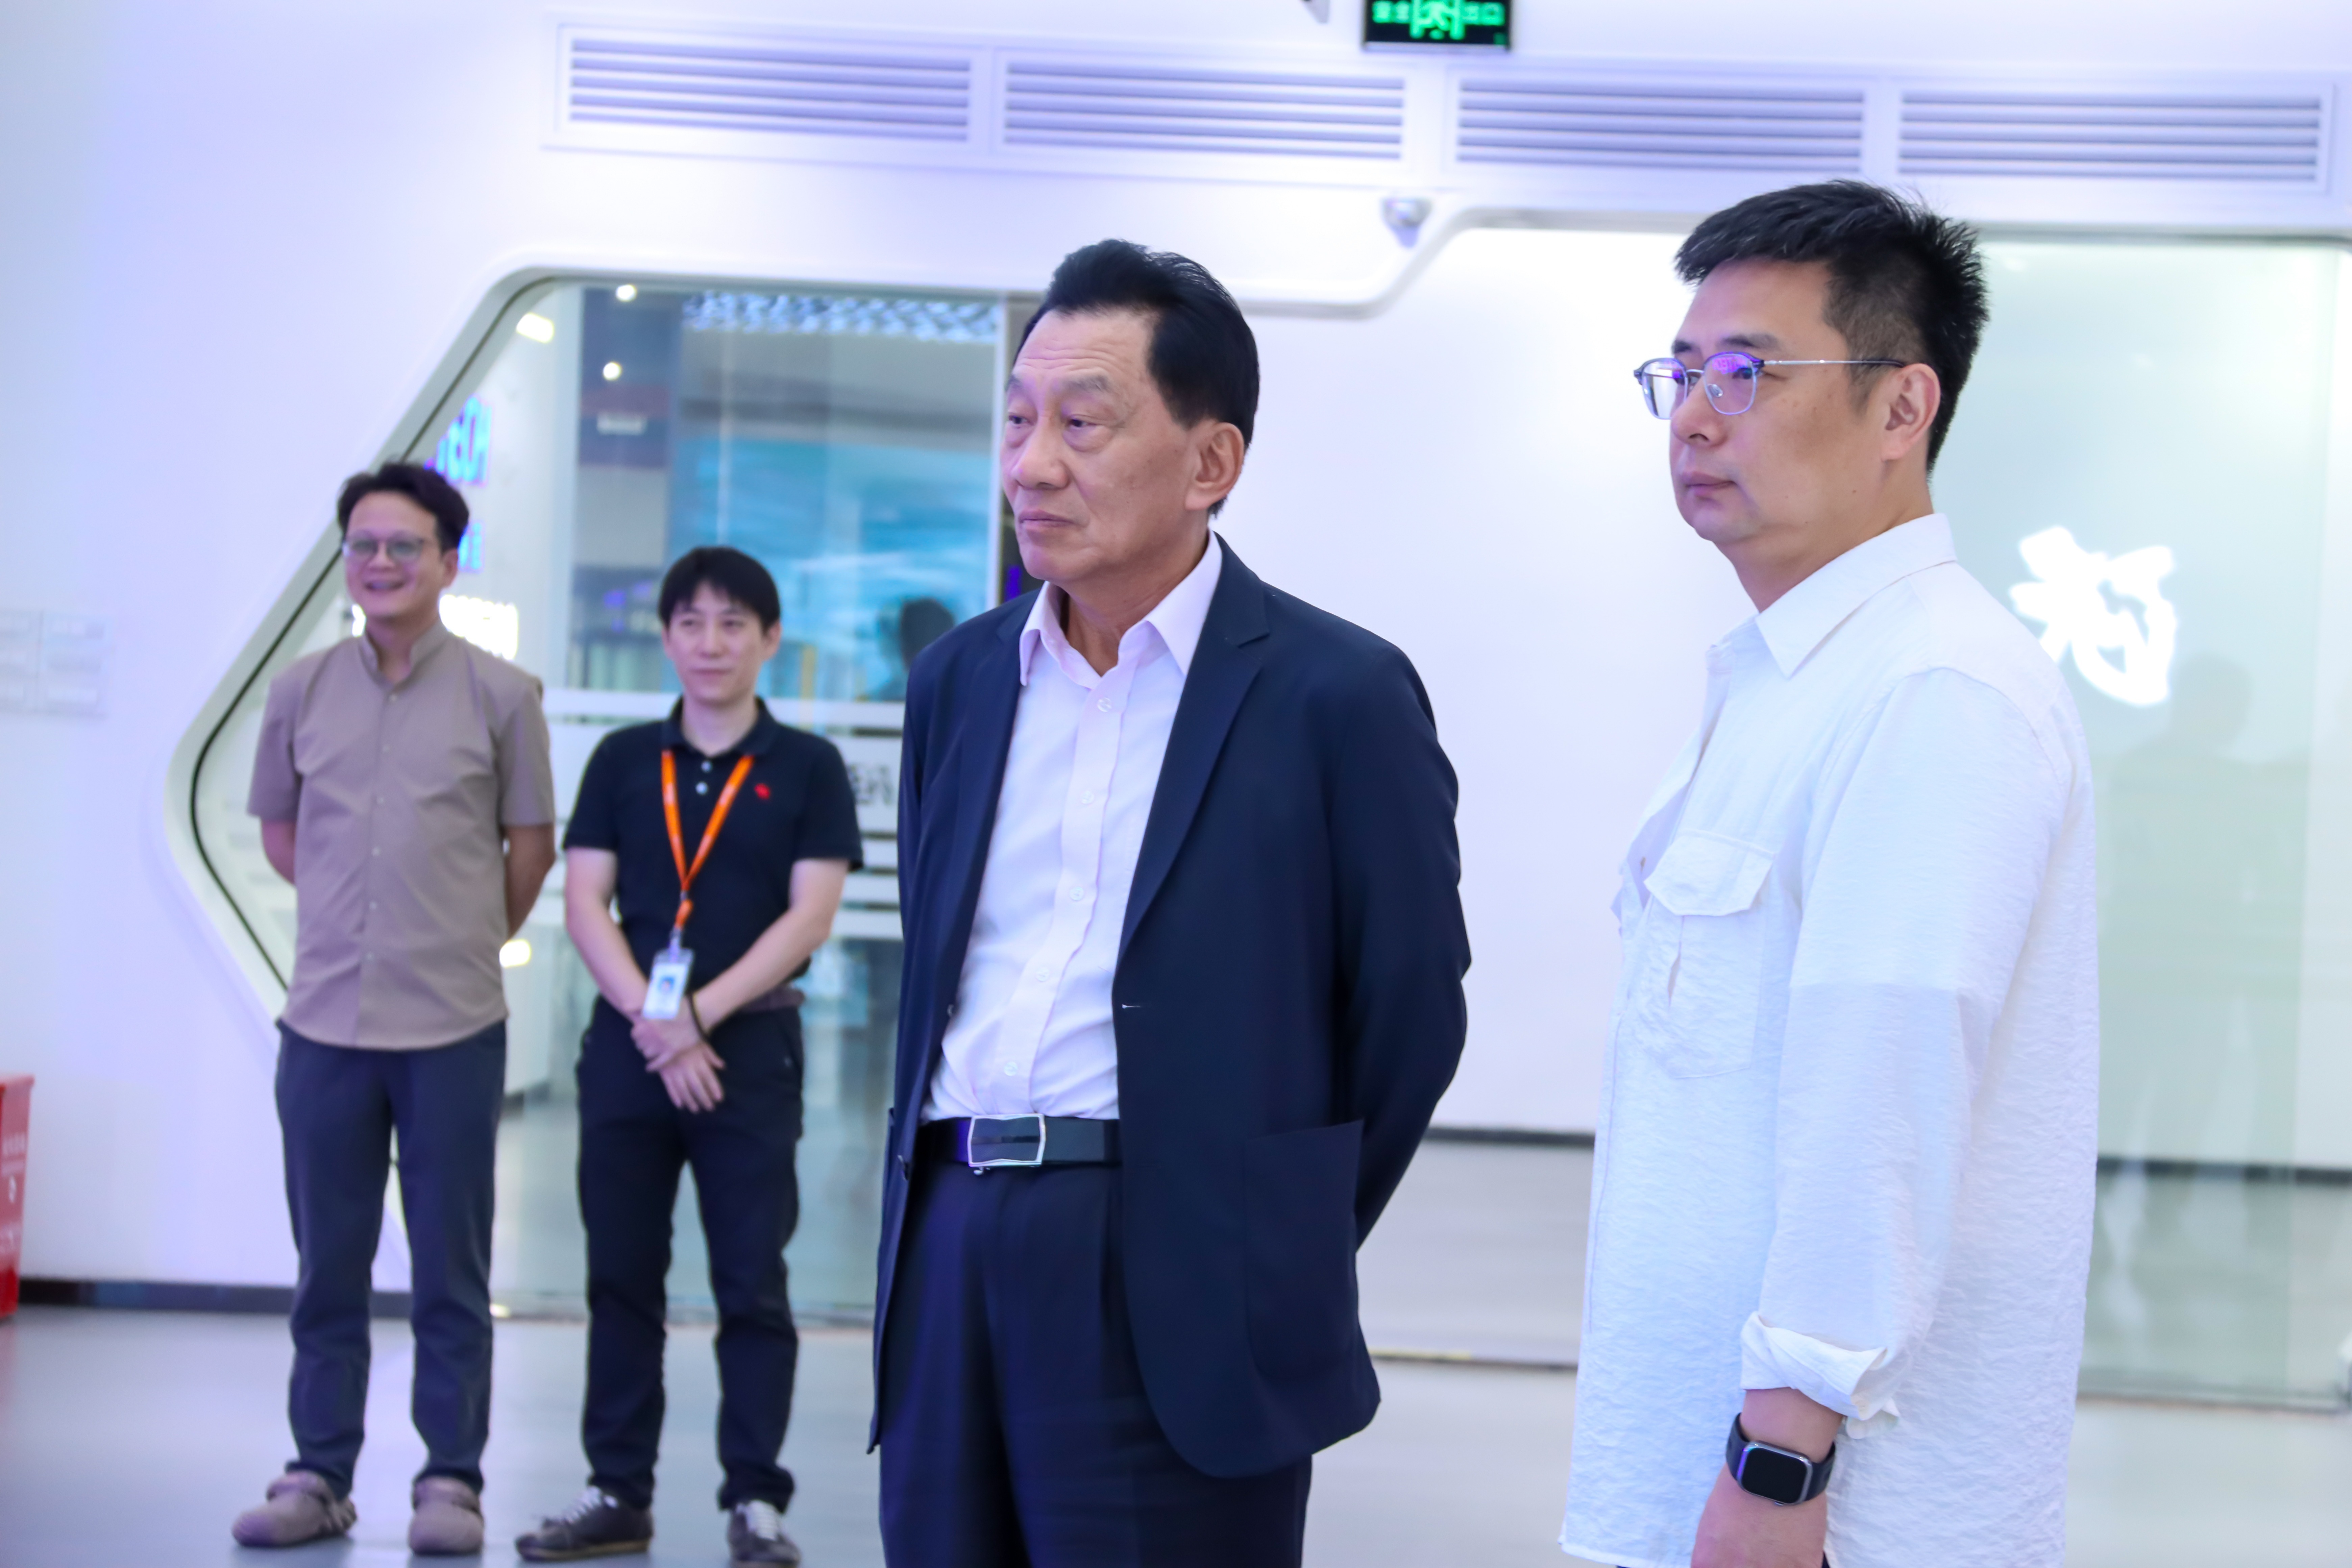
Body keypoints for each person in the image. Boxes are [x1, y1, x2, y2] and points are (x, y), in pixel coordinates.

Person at [872, 239, 1472, 1568]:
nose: (1032, 464)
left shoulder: (1335, 694)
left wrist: (1263, 1234)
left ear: (1211, 462)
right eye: (1018, 420)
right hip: (951, 1235)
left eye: (1082, 424)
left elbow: (1409, 1015)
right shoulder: (959, 681)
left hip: (1178, 1264)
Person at [1559, 181, 2098, 1568]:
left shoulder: (1934, 688)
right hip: (1701, 1465)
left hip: (1834, 1510)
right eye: (1681, 373)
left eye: (1747, 373)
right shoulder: (1791, 676)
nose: (1694, 417)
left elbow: (1882, 1098)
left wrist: (1780, 1463)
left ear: (1902, 406)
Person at [235, 462, 557, 1555]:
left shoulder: (504, 697)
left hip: (453, 1028)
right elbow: (285, 837)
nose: (381, 562)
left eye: (404, 546)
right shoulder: (301, 690)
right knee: (327, 1266)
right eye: (363, 545)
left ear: (448, 562)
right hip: (324, 1023)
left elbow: (528, 849)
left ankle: (450, 1480)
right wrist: (352, 919)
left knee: (450, 1274)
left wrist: (456, 933)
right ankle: (318, 1473)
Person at [516, 546, 860, 1568]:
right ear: (666, 637)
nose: (712, 643)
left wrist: (695, 1019)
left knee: (753, 1282)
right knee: (621, 1279)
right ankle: (617, 1491)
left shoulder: (809, 766)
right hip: (632, 1051)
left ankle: (756, 1501)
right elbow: (586, 901)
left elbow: (809, 918)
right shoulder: (625, 759)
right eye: (692, 623)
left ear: (770, 639)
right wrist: (655, 1023)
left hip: (750, 1055)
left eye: (733, 624)